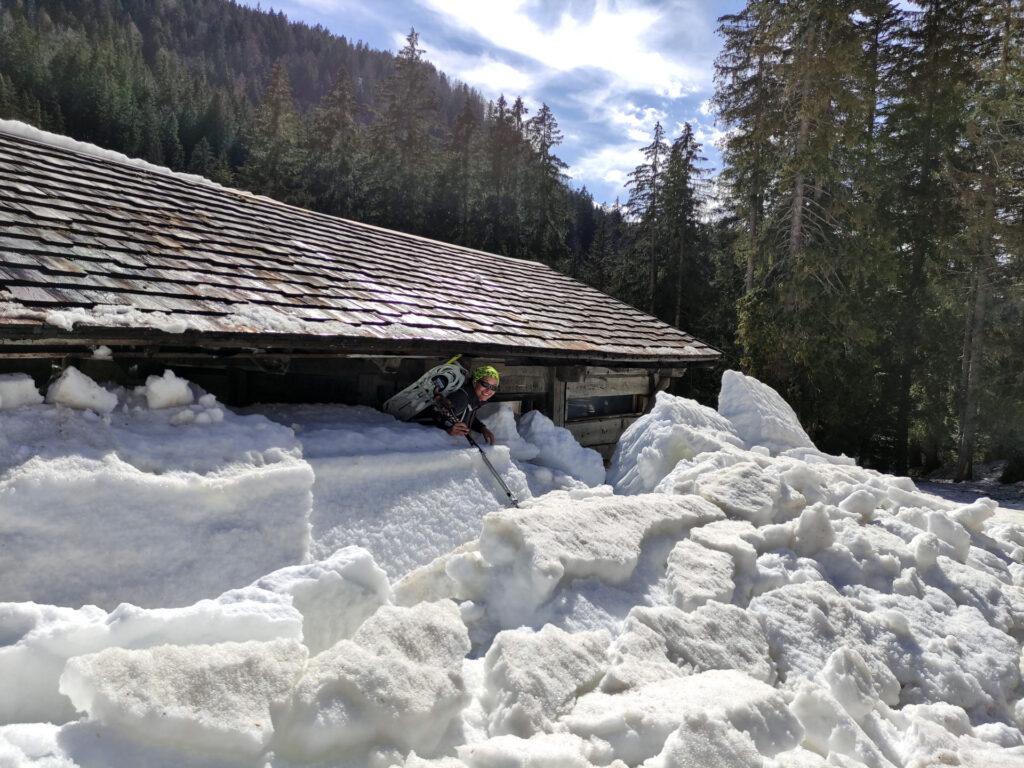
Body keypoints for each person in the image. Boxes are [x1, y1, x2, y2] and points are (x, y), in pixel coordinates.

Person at [420, 364, 499, 444]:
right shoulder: (462, 397)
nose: (489, 391)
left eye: (493, 387)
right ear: (475, 382)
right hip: (428, 442)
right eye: (485, 384)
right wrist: (448, 428)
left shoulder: (473, 399)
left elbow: (462, 414)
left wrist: (482, 428)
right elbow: (435, 412)